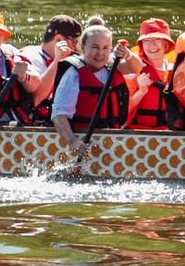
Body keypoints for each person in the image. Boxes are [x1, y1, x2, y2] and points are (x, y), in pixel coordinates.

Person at [50, 23, 137, 168]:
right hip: (82, 139)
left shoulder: (113, 66)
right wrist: (72, 141)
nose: (100, 54)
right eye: (95, 47)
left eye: (105, 48)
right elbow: (58, 114)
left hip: (112, 141)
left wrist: (127, 54)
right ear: (82, 47)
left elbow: (136, 67)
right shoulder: (73, 73)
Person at [11, 15, 82, 123]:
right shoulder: (30, 57)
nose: (76, 48)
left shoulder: (71, 60)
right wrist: (57, 61)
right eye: (75, 42)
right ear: (59, 39)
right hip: (36, 125)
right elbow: (37, 98)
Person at [125, 19, 175, 127]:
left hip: (169, 134)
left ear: (165, 43)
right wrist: (141, 92)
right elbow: (121, 111)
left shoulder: (175, 70)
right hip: (138, 133)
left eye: (157, 39)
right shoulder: (133, 69)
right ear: (141, 45)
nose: (152, 45)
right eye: (146, 40)